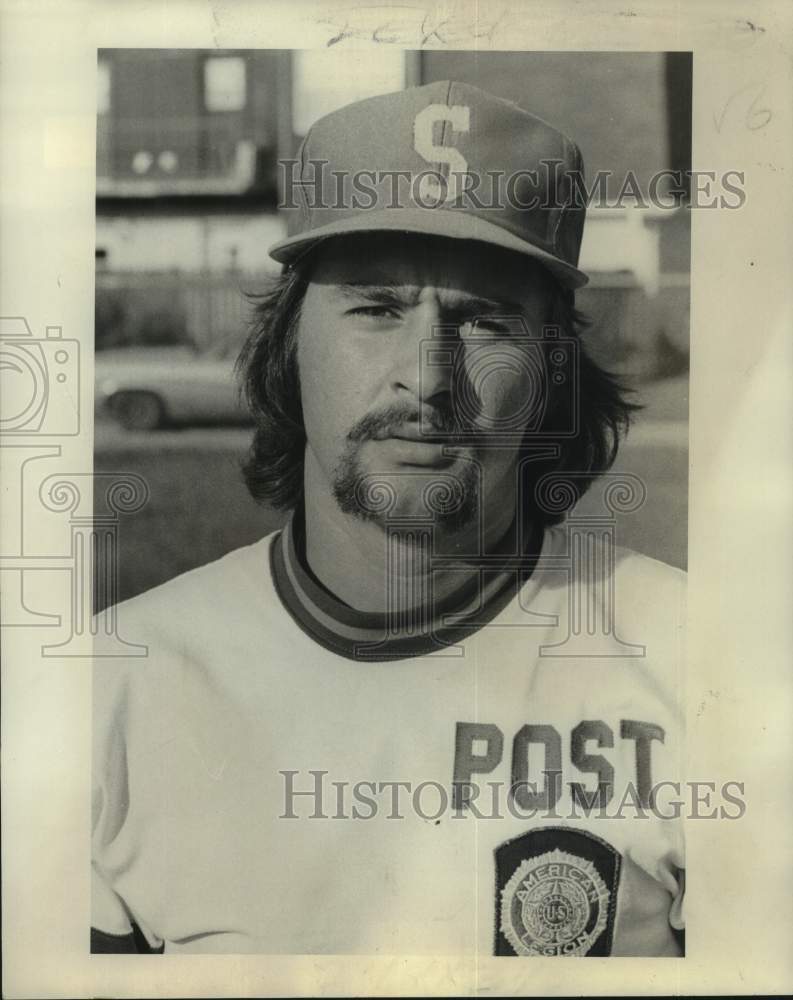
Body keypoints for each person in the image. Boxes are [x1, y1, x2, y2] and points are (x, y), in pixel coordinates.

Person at [92, 81, 685, 957]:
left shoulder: (705, 662)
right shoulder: (115, 683)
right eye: (376, 308)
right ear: (287, 348)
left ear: (552, 372)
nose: (427, 377)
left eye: (483, 320)